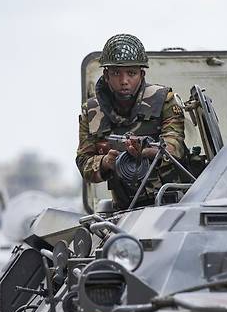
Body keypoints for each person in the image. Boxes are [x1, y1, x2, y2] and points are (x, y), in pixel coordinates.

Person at [76, 34, 186, 209]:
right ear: (106, 75)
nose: (124, 81)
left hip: (172, 202)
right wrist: (106, 162)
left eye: (131, 73)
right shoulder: (91, 112)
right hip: (125, 208)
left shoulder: (163, 100)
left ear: (141, 75)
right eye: (116, 73)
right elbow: (84, 163)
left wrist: (145, 151)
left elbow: (175, 147)